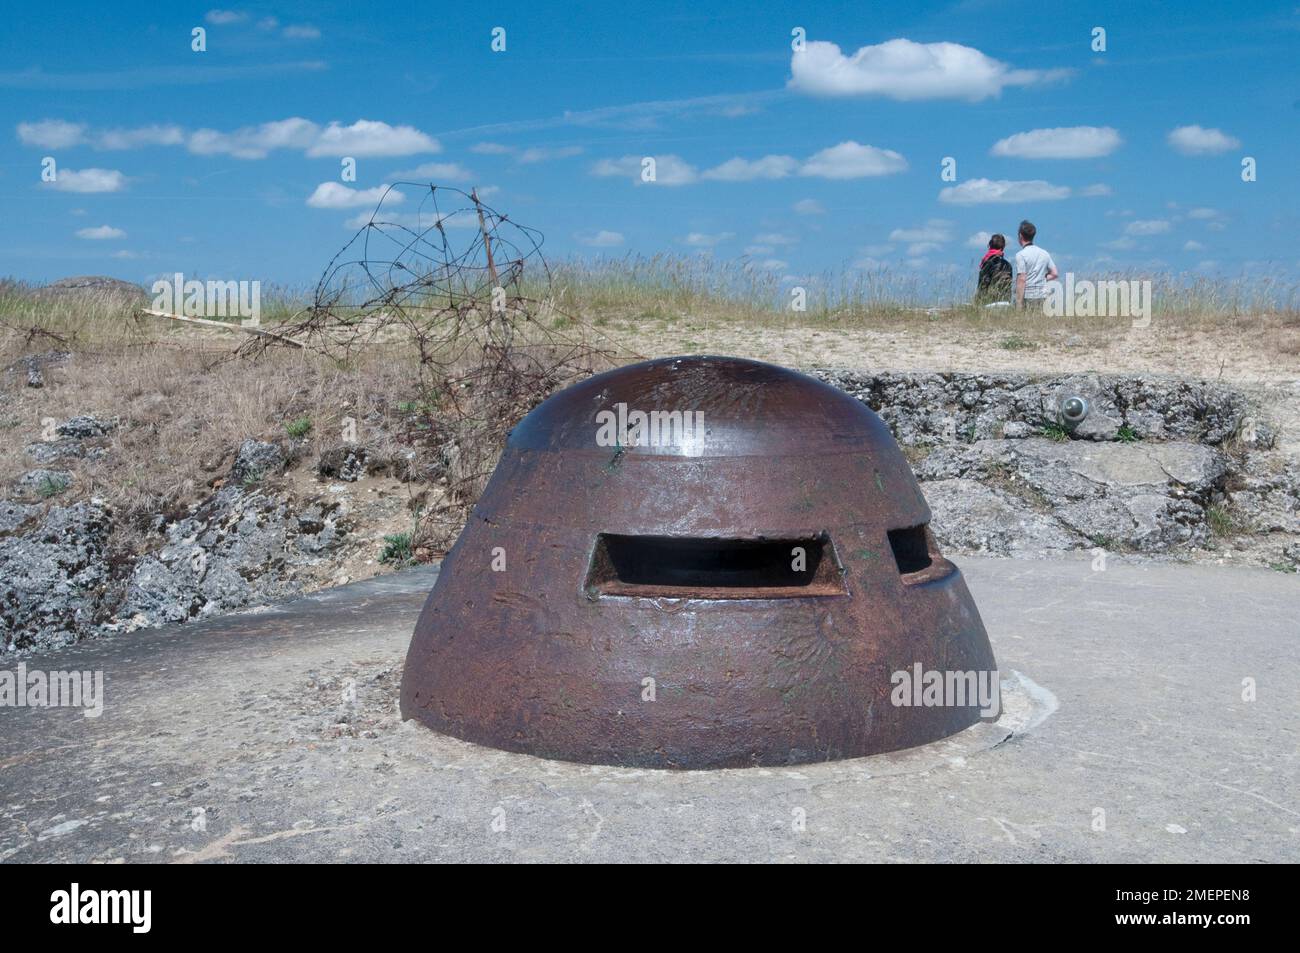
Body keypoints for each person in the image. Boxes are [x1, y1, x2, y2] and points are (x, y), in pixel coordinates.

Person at [1013, 220, 1058, 311]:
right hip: (1043, 296)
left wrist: (1018, 303)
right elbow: (1055, 273)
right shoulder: (1044, 253)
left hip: (1028, 297)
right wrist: (1043, 278)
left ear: (1020, 236)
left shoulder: (1021, 255)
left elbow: (1022, 279)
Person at [975, 233, 1013, 304]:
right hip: (1005, 302)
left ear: (990, 245)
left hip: (989, 303)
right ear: (1003, 247)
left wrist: (977, 303)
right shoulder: (1008, 265)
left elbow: (982, 287)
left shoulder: (987, 263)